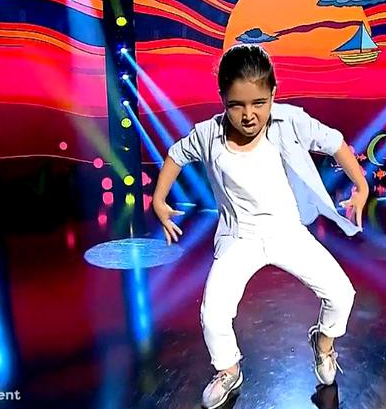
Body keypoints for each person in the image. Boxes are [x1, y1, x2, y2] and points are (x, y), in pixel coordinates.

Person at [152, 44, 369, 409]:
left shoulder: (290, 121)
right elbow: (177, 154)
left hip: (287, 231)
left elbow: (334, 142)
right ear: (222, 99)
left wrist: (361, 187)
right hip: (240, 237)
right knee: (213, 314)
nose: (249, 115)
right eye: (236, 105)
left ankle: (323, 344)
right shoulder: (208, 134)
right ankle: (229, 370)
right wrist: (159, 200)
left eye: (259, 103)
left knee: (341, 295)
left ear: (273, 93)